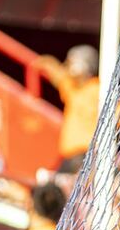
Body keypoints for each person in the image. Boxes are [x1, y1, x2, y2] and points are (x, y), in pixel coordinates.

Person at [34, 45, 101, 173]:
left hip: (87, 154)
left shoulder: (97, 90)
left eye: (74, 61)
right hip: (69, 156)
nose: (70, 64)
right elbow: (52, 67)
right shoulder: (72, 87)